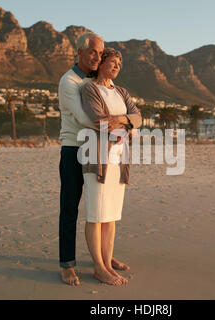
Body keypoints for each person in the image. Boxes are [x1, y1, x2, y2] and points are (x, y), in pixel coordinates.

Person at [58, 33, 130, 286]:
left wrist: (121, 122)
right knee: (70, 207)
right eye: (92, 52)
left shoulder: (96, 81)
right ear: (79, 52)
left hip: (98, 150)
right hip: (73, 148)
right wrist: (122, 124)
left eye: (100, 53)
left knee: (101, 207)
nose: (97, 57)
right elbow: (86, 119)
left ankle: (103, 259)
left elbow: (110, 112)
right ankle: (67, 264)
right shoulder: (69, 81)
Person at [80, 48, 142, 285]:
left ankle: (107, 261)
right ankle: (99, 267)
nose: (116, 66)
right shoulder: (90, 89)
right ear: (101, 63)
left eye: (119, 63)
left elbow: (137, 116)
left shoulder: (122, 92)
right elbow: (99, 121)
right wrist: (126, 128)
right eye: (112, 62)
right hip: (97, 160)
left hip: (119, 162)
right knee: (96, 214)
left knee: (111, 216)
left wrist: (123, 121)